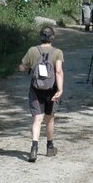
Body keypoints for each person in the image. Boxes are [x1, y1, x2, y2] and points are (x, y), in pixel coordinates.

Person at [18, 26, 65, 162]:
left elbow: (22, 67)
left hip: (36, 89)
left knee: (37, 119)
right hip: (52, 90)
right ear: (52, 38)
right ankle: (50, 147)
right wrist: (60, 89)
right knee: (49, 118)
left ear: (40, 37)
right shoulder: (58, 52)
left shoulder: (32, 51)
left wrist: (24, 67)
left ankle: (34, 148)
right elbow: (58, 71)